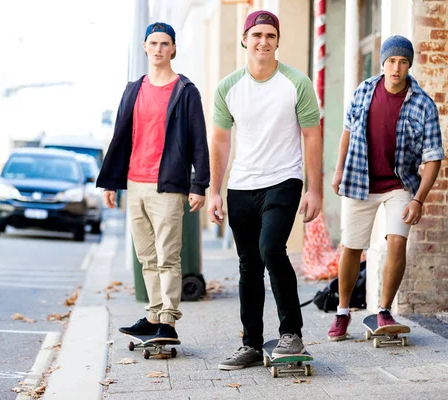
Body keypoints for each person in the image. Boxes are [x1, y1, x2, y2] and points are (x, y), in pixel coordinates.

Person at [208, 10, 322, 370]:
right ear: (245, 39)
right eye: (256, 34)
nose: (263, 41)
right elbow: (221, 142)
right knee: (248, 265)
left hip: (284, 179)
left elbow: (312, 136)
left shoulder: (296, 83)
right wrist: (214, 191)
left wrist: (315, 189)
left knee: (271, 249)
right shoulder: (228, 87)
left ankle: (291, 333)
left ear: (277, 41)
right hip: (241, 185)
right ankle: (251, 344)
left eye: (270, 35)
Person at [96, 22, 210, 341]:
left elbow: (199, 141)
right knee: (146, 255)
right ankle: (153, 314)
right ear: (145, 47)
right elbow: (120, 137)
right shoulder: (133, 88)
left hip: (169, 185)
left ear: (173, 49)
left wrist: (199, 184)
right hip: (135, 182)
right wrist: (111, 183)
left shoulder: (185, 91)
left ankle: (169, 321)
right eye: (153, 43)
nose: (158, 49)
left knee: (167, 255)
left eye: (165, 43)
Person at [328, 35, 444, 341]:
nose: (396, 68)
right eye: (392, 61)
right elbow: (347, 132)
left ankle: (383, 309)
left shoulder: (423, 104)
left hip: (399, 183)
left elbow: (433, 159)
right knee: (352, 246)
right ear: (383, 63)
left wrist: (419, 200)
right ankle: (342, 312)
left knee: (397, 241)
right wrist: (339, 170)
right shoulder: (365, 90)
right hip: (359, 179)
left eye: (403, 62)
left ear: (409, 66)